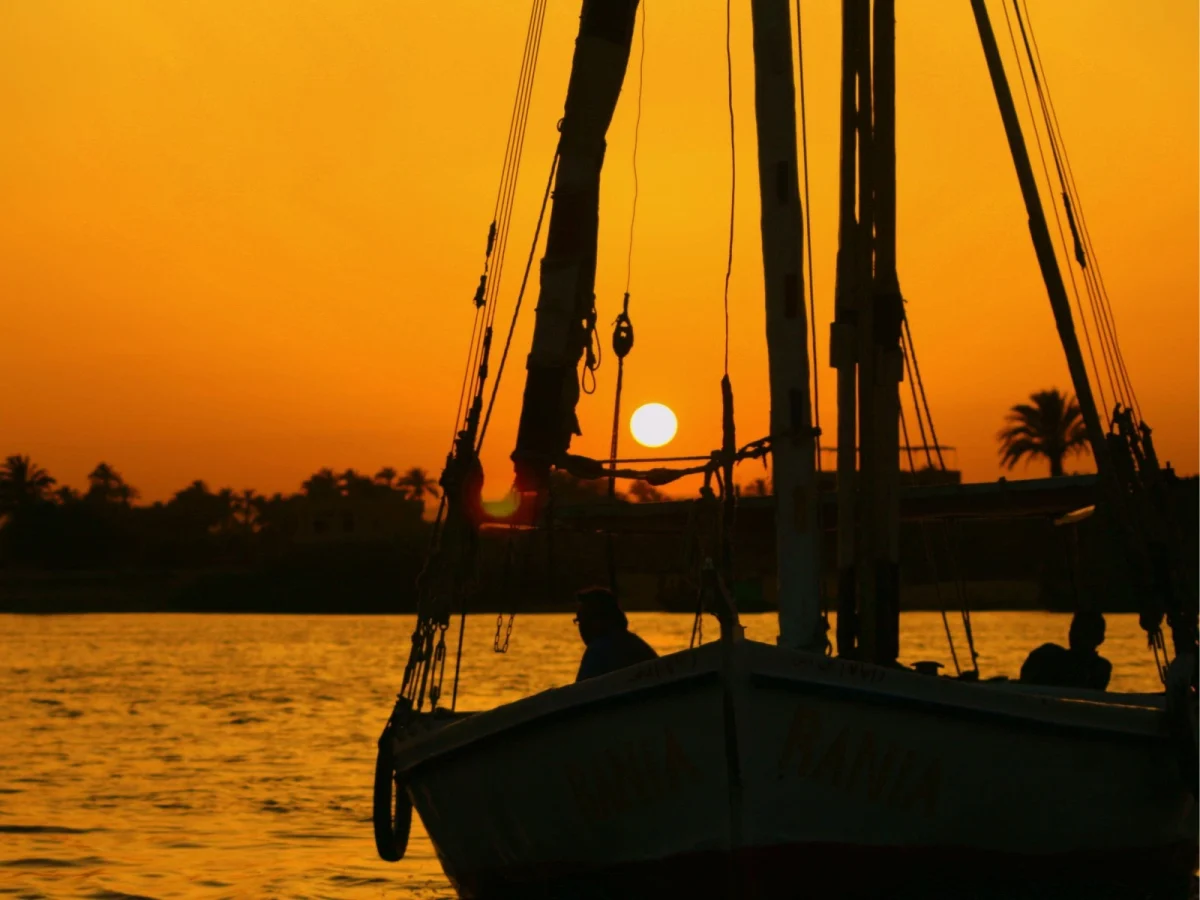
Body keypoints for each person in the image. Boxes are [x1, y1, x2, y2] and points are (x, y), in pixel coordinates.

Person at [574, 586, 658, 682]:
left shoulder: (598, 650)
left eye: (583, 620)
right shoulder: (636, 643)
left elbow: (580, 691)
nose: (581, 627)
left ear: (600, 619)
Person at [1019, 611, 1112, 691]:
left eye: (1085, 632)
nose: (1076, 635)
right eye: (1074, 629)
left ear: (1100, 639)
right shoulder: (1047, 655)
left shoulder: (1100, 668)